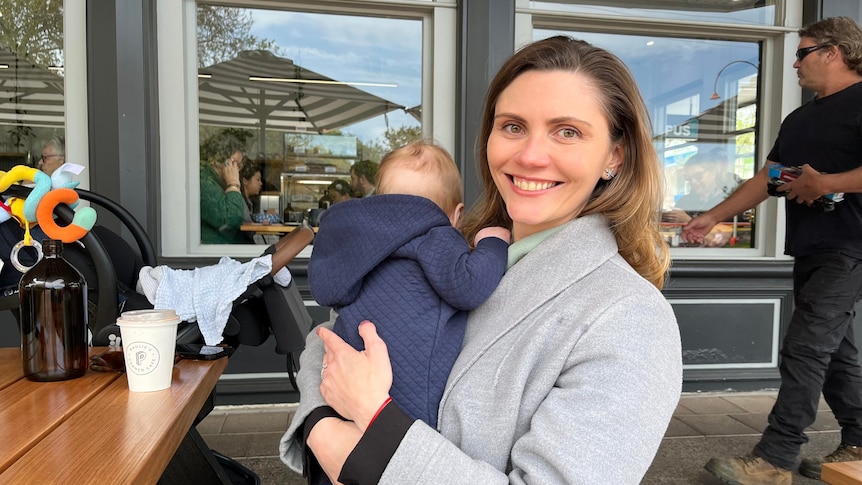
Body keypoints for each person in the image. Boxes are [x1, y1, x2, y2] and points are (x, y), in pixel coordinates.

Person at [280, 36, 682, 484]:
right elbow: (334, 334)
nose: (529, 156)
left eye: (567, 131)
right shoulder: (452, 246)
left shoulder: (630, 318)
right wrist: (318, 424)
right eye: (512, 126)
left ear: (614, 156)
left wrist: (373, 429)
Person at [682, 17, 862, 484]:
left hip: (852, 247)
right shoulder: (799, 119)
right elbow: (769, 179)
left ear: (833, 52)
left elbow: (829, 181)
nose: (795, 63)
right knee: (835, 351)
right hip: (810, 248)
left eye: (802, 53)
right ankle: (859, 443)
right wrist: (714, 215)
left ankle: (776, 459)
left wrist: (829, 183)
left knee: (804, 348)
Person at [308, 139, 509, 435]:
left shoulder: (357, 245)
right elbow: (469, 286)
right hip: (413, 402)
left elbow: (331, 294)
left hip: (346, 383)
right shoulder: (436, 235)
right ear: (457, 215)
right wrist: (493, 243)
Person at [199, 132, 251, 244]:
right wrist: (233, 184)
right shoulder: (203, 180)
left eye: (239, 165)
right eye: (234, 163)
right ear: (218, 160)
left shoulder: (216, 182)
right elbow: (230, 220)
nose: (237, 169)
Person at [663, 151, 742, 224]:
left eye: (698, 176)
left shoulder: (726, 202)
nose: (693, 181)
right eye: (688, 177)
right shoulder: (684, 202)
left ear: (713, 172)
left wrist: (688, 220)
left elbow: (723, 235)